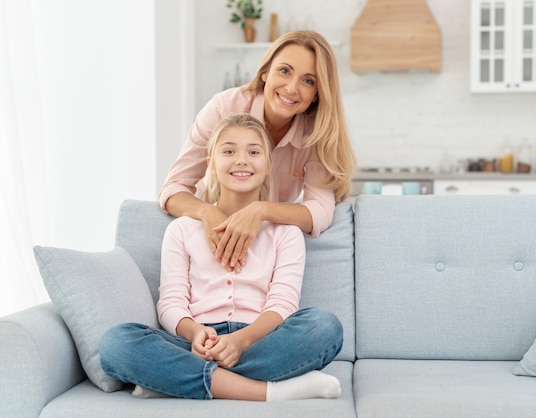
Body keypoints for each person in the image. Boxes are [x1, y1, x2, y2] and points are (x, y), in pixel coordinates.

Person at [99, 114, 343, 401]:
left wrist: (240, 342)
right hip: (195, 342)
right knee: (116, 342)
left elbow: (283, 303)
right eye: (228, 151)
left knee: (325, 326)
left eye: (254, 152)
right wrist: (194, 334)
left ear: (268, 165)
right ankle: (267, 391)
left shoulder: (285, 233)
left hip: (259, 341)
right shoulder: (182, 229)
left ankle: (176, 379)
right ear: (211, 163)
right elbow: (171, 302)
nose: (241, 160)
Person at [159, 30, 357, 273]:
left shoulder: (316, 132)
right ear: (265, 72)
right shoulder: (223, 108)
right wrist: (207, 212)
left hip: (266, 244)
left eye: (308, 81)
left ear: (317, 94)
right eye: (284, 71)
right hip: (213, 236)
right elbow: (173, 188)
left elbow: (320, 211)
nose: (292, 88)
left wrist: (260, 211)